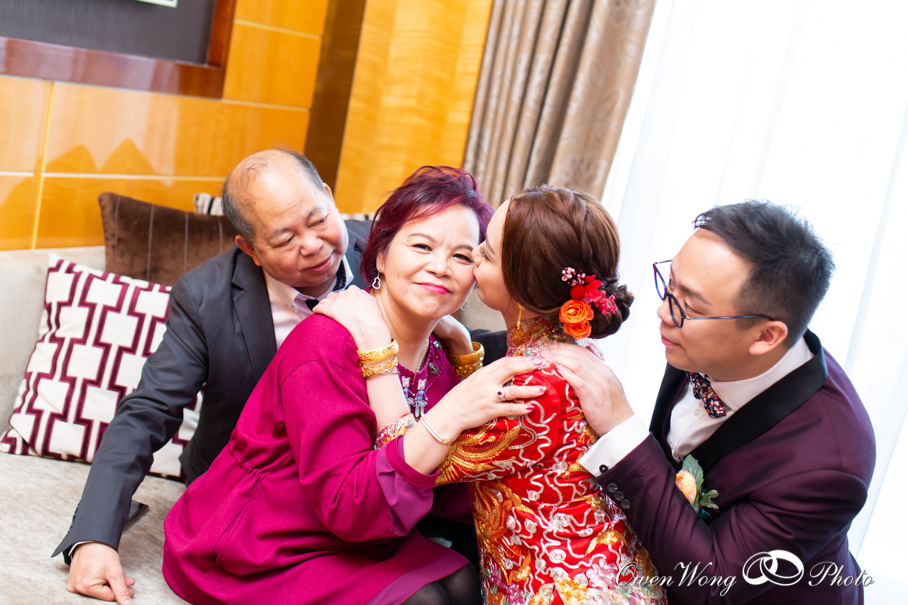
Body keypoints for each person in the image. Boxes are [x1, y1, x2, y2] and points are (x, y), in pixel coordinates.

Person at [56, 150, 504, 604]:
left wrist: (489, 349)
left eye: (318, 220)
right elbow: (147, 412)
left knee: (468, 578)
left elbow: (425, 335)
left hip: (370, 489)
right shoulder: (208, 297)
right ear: (250, 248)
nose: (312, 246)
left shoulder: (397, 251)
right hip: (262, 503)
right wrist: (95, 536)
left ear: (329, 198)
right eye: (286, 238)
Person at [161, 166, 543, 604]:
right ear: (381, 256)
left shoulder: (441, 353)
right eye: (421, 246)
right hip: (263, 535)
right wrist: (448, 416)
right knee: (429, 601)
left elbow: (445, 487)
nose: (440, 268)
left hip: (363, 529)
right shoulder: (326, 342)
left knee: (467, 583)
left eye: (461, 256)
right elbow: (350, 506)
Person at [350, 186, 667, 604]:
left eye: (485, 254)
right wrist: (463, 350)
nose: (472, 260)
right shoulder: (563, 352)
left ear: (519, 282)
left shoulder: (535, 386)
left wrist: (376, 349)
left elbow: (407, 458)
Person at [549, 201, 875, 604]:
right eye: (670, 285)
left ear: (765, 337)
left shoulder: (830, 468)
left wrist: (624, 434)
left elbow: (712, 586)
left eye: (689, 306)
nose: (663, 311)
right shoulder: (703, 339)